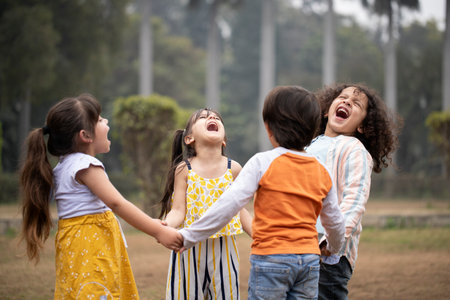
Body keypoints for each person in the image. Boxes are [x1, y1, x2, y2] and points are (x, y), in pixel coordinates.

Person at [173, 86, 346, 300]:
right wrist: (333, 248)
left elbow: (229, 205)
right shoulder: (322, 169)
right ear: (314, 130)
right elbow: (336, 220)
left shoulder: (262, 162)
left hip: (271, 259)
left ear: (268, 129)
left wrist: (188, 236)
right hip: (309, 260)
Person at [19, 94, 182, 299]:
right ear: (85, 135)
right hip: (92, 248)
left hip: (78, 246)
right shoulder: (85, 165)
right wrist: (156, 230)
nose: (106, 122)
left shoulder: (64, 166)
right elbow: (117, 203)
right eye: (100, 119)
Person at [306, 83, 400, 300]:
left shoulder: (354, 149)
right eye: (342, 97)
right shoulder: (307, 146)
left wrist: (331, 240)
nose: (347, 101)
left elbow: (355, 199)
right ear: (327, 110)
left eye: (356, 103)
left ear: (363, 127)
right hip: (300, 245)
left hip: (329, 255)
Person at [159, 108, 252, 300]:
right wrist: (165, 227)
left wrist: (262, 237)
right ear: (189, 138)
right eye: (203, 117)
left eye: (217, 117)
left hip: (224, 248)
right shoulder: (184, 169)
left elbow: (240, 210)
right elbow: (177, 210)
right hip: (188, 247)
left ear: (224, 139)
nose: (211, 117)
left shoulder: (234, 169)